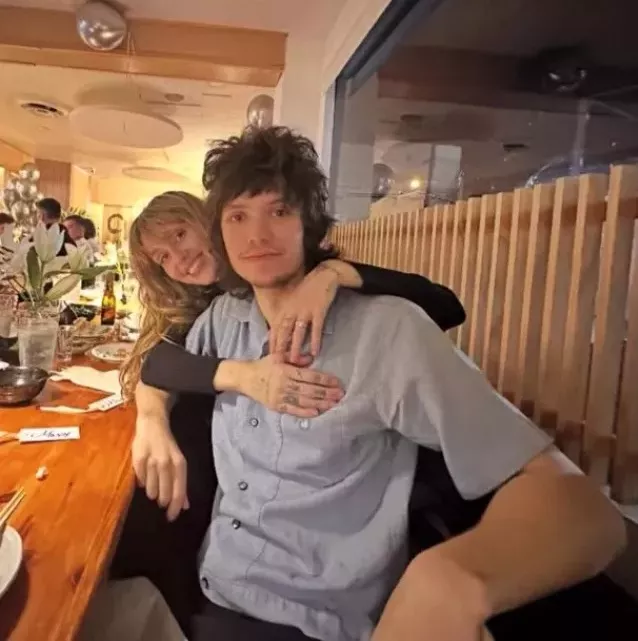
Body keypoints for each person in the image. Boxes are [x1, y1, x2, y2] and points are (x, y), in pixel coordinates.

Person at [133, 127, 626, 641]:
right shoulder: (223, 318)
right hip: (215, 584)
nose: (257, 235)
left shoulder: (386, 330)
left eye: (278, 211)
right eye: (238, 217)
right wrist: (154, 416)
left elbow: (585, 512)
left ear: (310, 225)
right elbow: (159, 364)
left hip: (315, 618)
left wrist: (449, 580)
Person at [112, 190, 467, 635]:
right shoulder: (210, 307)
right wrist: (156, 418)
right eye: (163, 256)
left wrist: (333, 274)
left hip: (322, 510)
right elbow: (158, 362)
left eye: (180, 235)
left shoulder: (292, 281)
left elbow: (446, 305)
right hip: (234, 490)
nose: (179, 258)